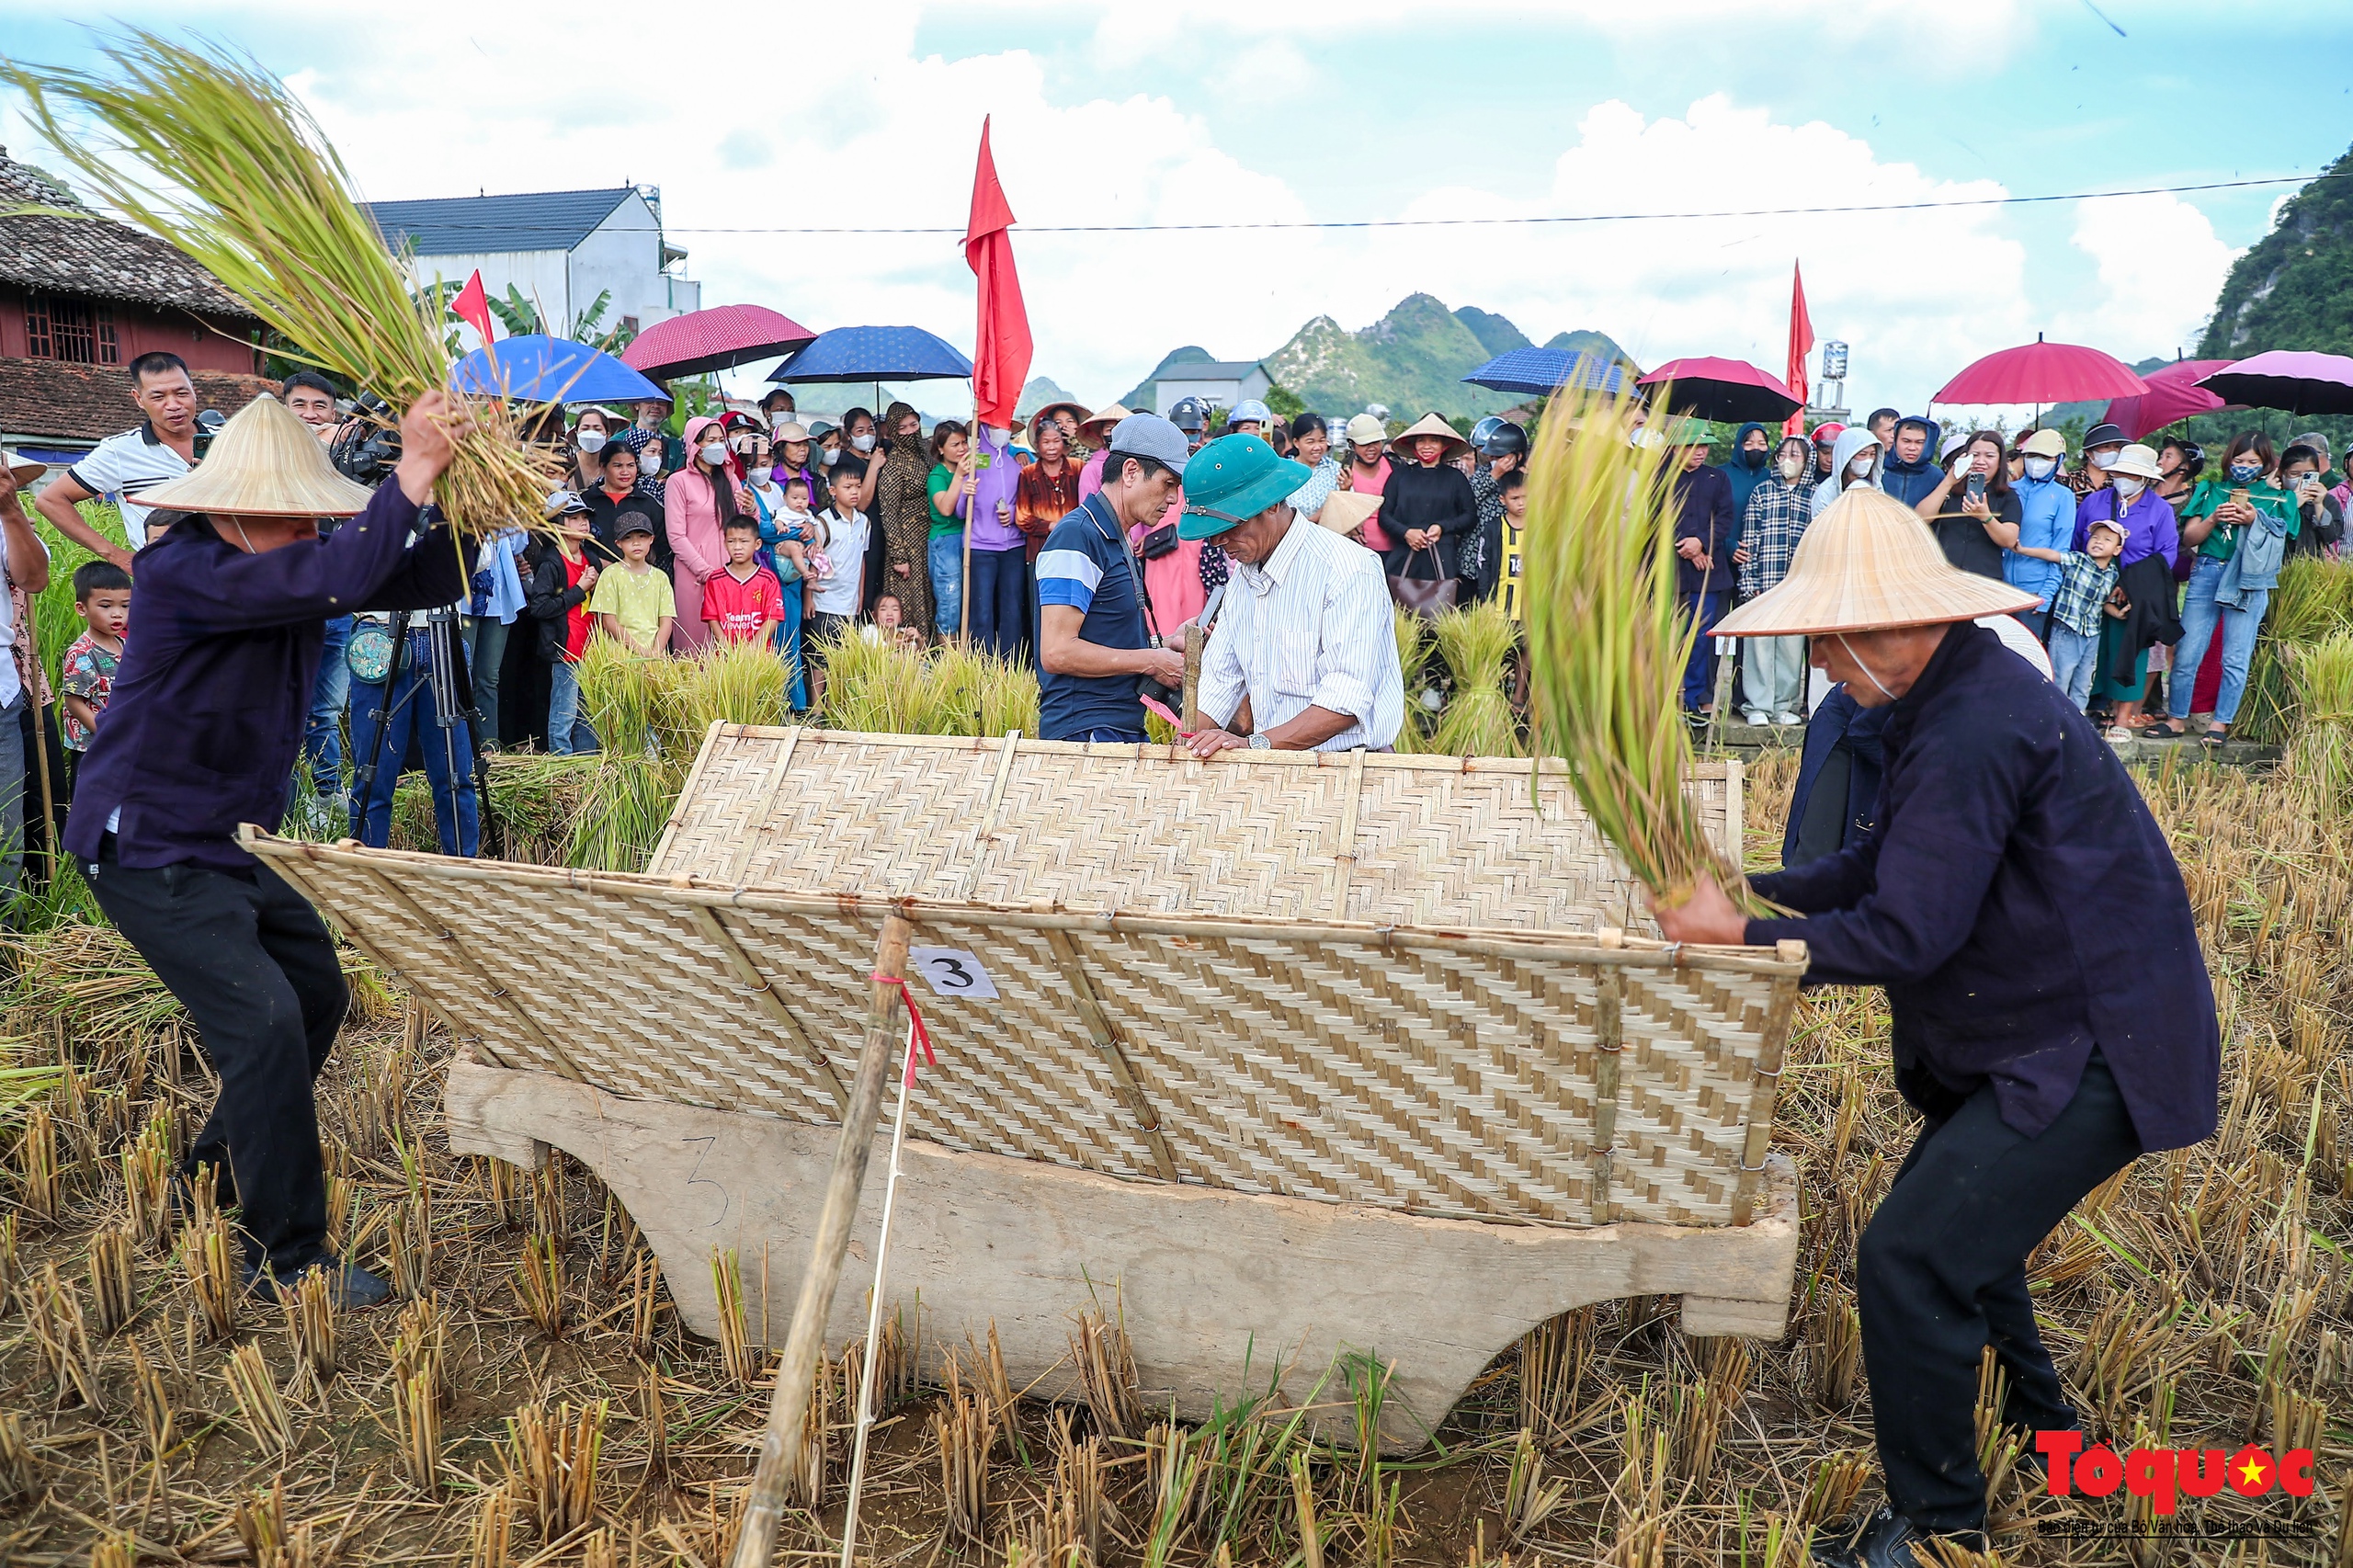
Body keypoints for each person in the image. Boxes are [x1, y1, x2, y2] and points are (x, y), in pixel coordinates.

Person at [1663, 485, 2218, 1568]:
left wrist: (1736, 936)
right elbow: (1880, 864)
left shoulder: (1974, 723)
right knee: (1968, 1236)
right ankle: (2046, 1436)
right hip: (2042, 1027)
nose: (1819, 662)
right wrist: (1748, 889)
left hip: (2089, 1041)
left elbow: (1907, 931)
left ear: (1894, 626)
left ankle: (1936, 1527)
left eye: (1827, 639)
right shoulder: (1947, 699)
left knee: (1911, 1255)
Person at [67, 389, 473, 1307]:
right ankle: (284, 1256)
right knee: (264, 1022)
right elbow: (336, 576)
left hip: (233, 834)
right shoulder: (184, 572)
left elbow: (427, 579)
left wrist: (466, 502)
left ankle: (210, 1170)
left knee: (315, 992)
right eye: (292, 517)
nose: (308, 531)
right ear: (233, 511)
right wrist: (411, 465)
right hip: (151, 841)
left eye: (313, 518)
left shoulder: (280, 564)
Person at [1175, 434, 1404, 756]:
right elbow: (1219, 682)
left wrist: (1256, 743)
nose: (1219, 544)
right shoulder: (1241, 582)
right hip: (1275, 767)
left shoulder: (1349, 569)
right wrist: (1182, 747)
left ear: (1271, 503)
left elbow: (1346, 698)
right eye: (1211, 535)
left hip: (1347, 770)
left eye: (1228, 528)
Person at [1036, 414, 1190, 742]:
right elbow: (1057, 651)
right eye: (1168, 483)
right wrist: (1151, 660)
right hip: (1086, 733)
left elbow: (1107, 635)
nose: (1175, 498)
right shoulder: (1077, 536)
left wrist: (1167, 645)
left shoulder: (1116, 536)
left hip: (1118, 726)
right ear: (1131, 471)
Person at [2160, 433, 2296, 747]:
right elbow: (2190, 538)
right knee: (2188, 650)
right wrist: (2213, 517)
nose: (2244, 467)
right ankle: (2176, 718)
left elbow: (2285, 538)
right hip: (2207, 570)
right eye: (2238, 461)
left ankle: (2220, 724)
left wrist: (2253, 519)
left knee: (2235, 655)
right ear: (2227, 460)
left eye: (2253, 462)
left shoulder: (2280, 499)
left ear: (2265, 464)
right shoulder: (2210, 489)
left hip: (2248, 578)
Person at [36, 352, 202, 569]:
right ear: (139, 399)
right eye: (158, 397)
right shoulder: (120, 452)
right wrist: (117, 556)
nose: (173, 405)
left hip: (234, 576)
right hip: (165, 582)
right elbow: (50, 500)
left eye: (181, 393)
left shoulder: (234, 440)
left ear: (194, 390)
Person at [2071, 444, 2182, 742]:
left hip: (2136, 590)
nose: (2124, 478)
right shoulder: (2094, 502)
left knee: (2130, 648)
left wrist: (2133, 585)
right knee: (2092, 647)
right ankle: (2091, 709)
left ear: (2145, 478)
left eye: (2132, 474)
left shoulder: (2159, 510)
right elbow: (2076, 542)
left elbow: (2166, 554)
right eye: (2120, 472)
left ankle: (2123, 716)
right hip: (2092, 585)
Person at [1737, 435, 1814, 725]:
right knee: (1759, 647)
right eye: (1783, 454)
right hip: (1764, 582)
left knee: (1791, 651)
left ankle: (1784, 705)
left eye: (1796, 455)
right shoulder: (1762, 492)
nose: (1788, 460)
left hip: (1797, 588)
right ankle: (1757, 705)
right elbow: (1749, 539)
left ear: (1808, 461)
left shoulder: (1814, 495)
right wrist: (1749, 581)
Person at [1667, 422, 1739, 720]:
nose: (1701, 452)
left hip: (1709, 569)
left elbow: (1725, 518)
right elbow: (1655, 517)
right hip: (1670, 570)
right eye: (1692, 446)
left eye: (1704, 446)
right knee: (1671, 634)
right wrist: (1687, 544)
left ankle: (1698, 694)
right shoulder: (1661, 478)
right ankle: (1671, 695)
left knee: (1701, 635)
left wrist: (1701, 542)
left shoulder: (1717, 477)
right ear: (1675, 448)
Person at [2017, 518, 2127, 712]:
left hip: (2091, 634)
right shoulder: (2078, 560)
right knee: (2060, 679)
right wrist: (2024, 550)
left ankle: (2078, 722)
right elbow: (2052, 555)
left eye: (2107, 539)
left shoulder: (2112, 574)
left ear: (2117, 550)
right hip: (2067, 630)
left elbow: (2103, 603)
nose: (2098, 541)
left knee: (2084, 683)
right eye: (2094, 537)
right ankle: (2054, 721)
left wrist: (2117, 613)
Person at [523, 495, 601, 755]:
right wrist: (579, 590)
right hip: (565, 648)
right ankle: (562, 765)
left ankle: (586, 765)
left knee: (588, 713)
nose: (583, 524)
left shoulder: (591, 558)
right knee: (564, 710)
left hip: (591, 648)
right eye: (574, 518)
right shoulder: (551, 562)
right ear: (557, 524)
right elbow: (539, 607)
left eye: (585, 518)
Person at [665, 415, 748, 653]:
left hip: (731, 571)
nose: (718, 445)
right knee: (695, 644)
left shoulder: (731, 480)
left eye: (721, 439)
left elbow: (745, 528)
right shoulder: (678, 482)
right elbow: (676, 536)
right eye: (711, 440)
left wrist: (751, 510)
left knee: (729, 644)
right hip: (694, 575)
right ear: (695, 445)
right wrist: (706, 572)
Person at [1379, 413, 1479, 601]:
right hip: (1403, 555)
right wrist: (1406, 532)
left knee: (1439, 617)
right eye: (1421, 440)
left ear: (1444, 445)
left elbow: (1469, 516)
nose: (1427, 446)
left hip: (1442, 557)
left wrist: (1443, 527)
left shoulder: (1455, 478)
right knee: (1399, 616)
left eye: (1434, 440)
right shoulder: (1400, 476)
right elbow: (1384, 515)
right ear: (1413, 444)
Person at [59, 558, 131, 793]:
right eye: (106, 606)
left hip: (124, 743)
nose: (117, 615)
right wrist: (106, 734)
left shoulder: (125, 644)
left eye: (125, 606)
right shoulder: (82, 653)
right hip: (92, 746)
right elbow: (74, 701)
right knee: (91, 803)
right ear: (82, 609)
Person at [1912, 430, 2019, 584]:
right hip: (1943, 577)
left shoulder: (2008, 496)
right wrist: (1949, 481)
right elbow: (1920, 518)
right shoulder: (1949, 489)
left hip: (1985, 580)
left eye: (1989, 456)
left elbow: (2009, 540)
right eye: (1975, 455)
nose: (1981, 461)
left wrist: (1985, 517)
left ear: (2000, 460)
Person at [805, 461, 871, 710]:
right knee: (819, 657)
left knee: (842, 658)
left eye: (858, 486)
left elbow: (861, 560)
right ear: (833, 491)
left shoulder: (864, 522)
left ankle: (835, 706)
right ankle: (816, 707)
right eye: (848, 487)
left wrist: (860, 595)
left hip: (849, 602)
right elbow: (812, 560)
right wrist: (809, 597)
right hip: (825, 599)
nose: (854, 492)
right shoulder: (822, 523)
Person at [462, 508, 529, 753]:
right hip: (462, 597)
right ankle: (462, 744)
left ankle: (489, 746)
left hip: (500, 597)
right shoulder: (457, 501)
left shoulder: (504, 505)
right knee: (462, 673)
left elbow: (519, 542)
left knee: (489, 676)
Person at [1015, 415, 1084, 654]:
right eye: (1046, 442)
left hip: (1074, 552)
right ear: (1037, 444)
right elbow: (1022, 518)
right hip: (1039, 553)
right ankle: (1042, 663)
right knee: (1041, 610)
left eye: (1056, 441)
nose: (1052, 447)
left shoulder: (1077, 468)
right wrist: (1055, 526)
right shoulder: (1028, 473)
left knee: (1075, 609)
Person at [2004, 429, 2075, 629]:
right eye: (2031, 455)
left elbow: (2061, 551)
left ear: (2058, 460)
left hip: (2034, 591)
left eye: (2045, 457)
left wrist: (2047, 594)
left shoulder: (2063, 496)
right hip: (2000, 587)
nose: (2037, 461)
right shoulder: (2009, 490)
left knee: (2026, 656)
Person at [590, 512, 676, 658]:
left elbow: (667, 622)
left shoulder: (660, 578)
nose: (636, 543)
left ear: (651, 539)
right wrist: (641, 652)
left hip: (655, 654)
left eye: (642, 537)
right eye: (628, 538)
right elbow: (609, 622)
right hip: (620, 656)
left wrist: (655, 653)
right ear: (618, 543)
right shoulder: (610, 575)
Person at [1464, 421, 1527, 605]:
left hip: (1510, 560)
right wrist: (1495, 476)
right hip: (1474, 559)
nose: (1494, 459)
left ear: (1518, 456)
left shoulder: (1526, 481)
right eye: (1493, 455)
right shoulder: (1483, 474)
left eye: (1501, 456)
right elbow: (1466, 502)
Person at [702, 517, 788, 647]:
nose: (737, 547)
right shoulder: (715, 580)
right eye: (731, 541)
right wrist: (727, 650)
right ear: (725, 544)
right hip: (725, 659)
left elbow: (773, 618)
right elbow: (712, 619)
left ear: (757, 544)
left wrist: (752, 649)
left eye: (744, 541)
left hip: (760, 658)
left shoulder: (768, 580)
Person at [926, 421, 975, 642]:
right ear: (940, 448)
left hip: (971, 539)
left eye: (964, 442)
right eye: (955, 444)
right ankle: (949, 666)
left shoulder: (973, 468)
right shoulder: (937, 476)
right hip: (946, 542)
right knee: (950, 604)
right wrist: (959, 477)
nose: (962, 448)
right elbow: (945, 508)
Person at [2280, 442, 2345, 560]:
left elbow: (2331, 537)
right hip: (2278, 564)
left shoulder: (2328, 500)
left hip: (2312, 567)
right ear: (2282, 473)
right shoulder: (2275, 498)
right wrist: (2292, 505)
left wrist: (2319, 505)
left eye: (2308, 475)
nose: (2301, 480)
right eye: (2294, 474)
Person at [1341, 414, 1393, 552]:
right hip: (1357, 549)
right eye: (1364, 444)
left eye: (1376, 442)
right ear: (1352, 445)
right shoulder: (1344, 470)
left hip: (1396, 550)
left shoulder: (1395, 466)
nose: (1371, 448)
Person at [1285, 415, 1343, 526]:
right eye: (1310, 442)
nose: (1317, 447)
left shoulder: (1335, 469)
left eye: (1322, 441)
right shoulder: (1284, 470)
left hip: (1328, 538)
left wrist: (1345, 489)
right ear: (1296, 442)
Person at [1878, 415, 1944, 509]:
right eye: (1906, 441)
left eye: (1919, 442)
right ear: (1895, 440)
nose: (1912, 448)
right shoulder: (1877, 470)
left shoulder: (1936, 476)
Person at [1813, 426, 1880, 519]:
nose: (1868, 460)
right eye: (1862, 454)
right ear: (1847, 455)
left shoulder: (1876, 485)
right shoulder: (1826, 492)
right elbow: (1821, 528)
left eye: (1872, 454)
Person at [1074, 403, 1134, 502]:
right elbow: (1087, 508)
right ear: (1101, 435)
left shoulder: (1140, 464)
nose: (1114, 433)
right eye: (1110, 430)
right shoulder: (1091, 469)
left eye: (1119, 428)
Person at [1720, 422, 1775, 519]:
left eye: (1762, 443)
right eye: (1749, 444)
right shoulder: (1721, 475)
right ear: (1739, 446)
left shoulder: (1772, 477)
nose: (1756, 448)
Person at [2071, 421, 2127, 500]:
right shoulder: (2070, 480)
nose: (2113, 451)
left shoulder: (2122, 481)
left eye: (2117, 446)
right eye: (2106, 446)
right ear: (2088, 452)